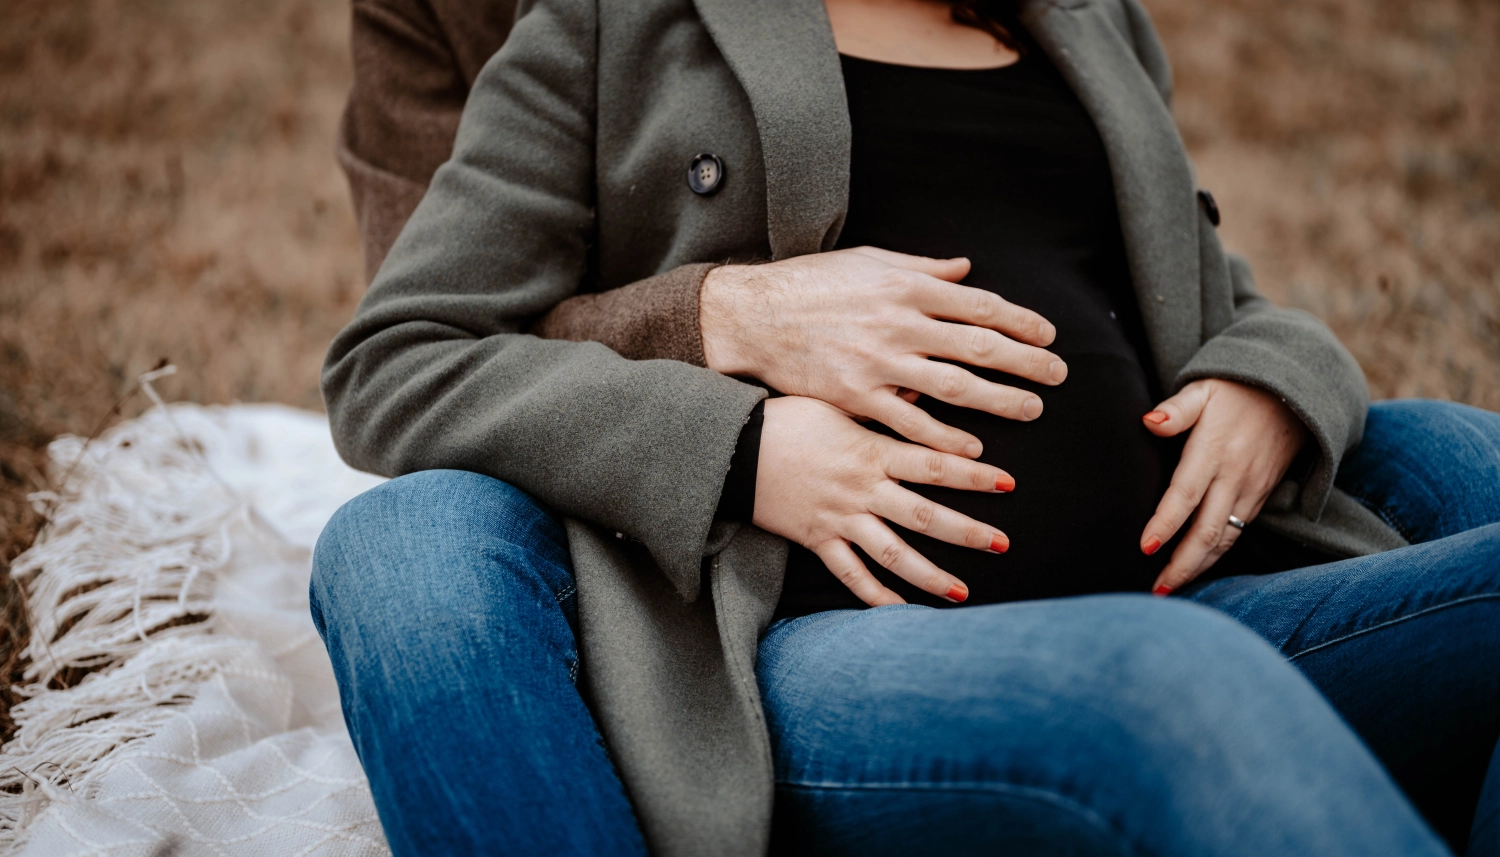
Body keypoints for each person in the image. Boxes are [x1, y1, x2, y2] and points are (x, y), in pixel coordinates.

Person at [314, 0, 1500, 853]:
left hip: (1194, 590)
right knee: (1165, 682)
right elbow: (400, 357)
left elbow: (1201, 282)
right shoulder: (615, 26)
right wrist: (739, 444)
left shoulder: (1087, 24)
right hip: (841, 645)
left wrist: (1270, 375)